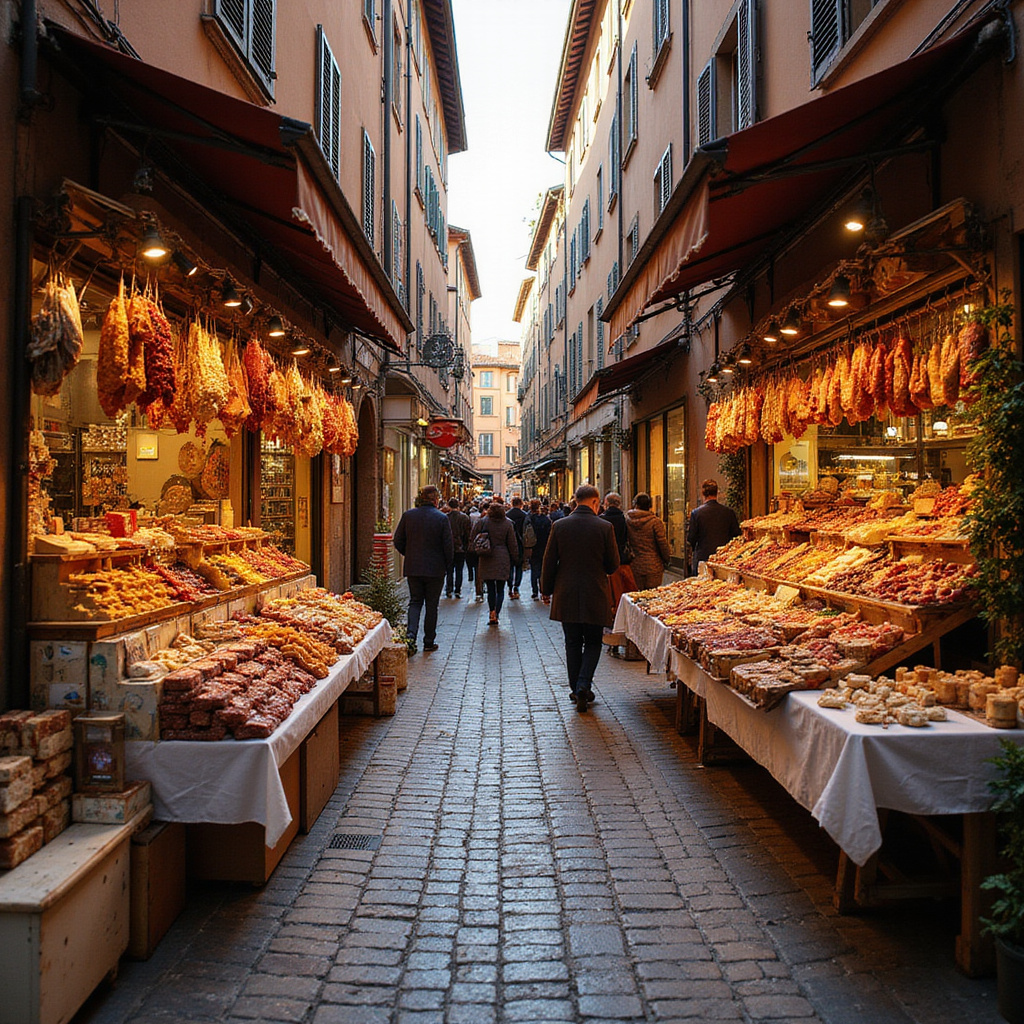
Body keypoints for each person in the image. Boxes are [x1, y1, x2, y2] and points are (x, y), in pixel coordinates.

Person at [541, 484, 619, 713]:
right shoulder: (605, 527)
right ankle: (584, 684)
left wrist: (546, 589)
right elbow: (613, 564)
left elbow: (549, 561)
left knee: (572, 642)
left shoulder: (559, 526)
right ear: (595, 502)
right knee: (594, 641)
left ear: (575, 501)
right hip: (595, 591)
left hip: (566, 591)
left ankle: (576, 689)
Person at [393, 485, 453, 654]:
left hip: (413, 567)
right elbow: (448, 546)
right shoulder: (441, 518)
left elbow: (398, 540)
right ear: (435, 500)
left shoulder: (408, 516)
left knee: (415, 602)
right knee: (432, 605)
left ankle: (410, 637)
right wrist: (447, 565)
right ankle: (429, 641)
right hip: (435, 569)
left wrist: (409, 554)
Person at [469, 496, 520, 628]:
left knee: (490, 588)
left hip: (487, 557)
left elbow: (473, 537)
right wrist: (516, 558)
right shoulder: (508, 523)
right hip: (503, 557)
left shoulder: (483, 521)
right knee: (500, 589)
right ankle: (496, 613)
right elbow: (512, 543)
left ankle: (491, 611)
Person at [687, 478, 742, 576]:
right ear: (717, 493)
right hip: (723, 558)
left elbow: (691, 538)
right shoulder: (728, 512)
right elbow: (737, 535)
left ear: (703, 494)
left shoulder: (696, 513)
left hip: (703, 558)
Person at [601, 492, 637, 641]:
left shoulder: (601, 520)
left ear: (607, 503)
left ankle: (612, 627)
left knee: (611, 596)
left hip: (607, 563)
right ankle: (624, 625)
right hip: (623, 561)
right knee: (625, 593)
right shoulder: (625, 519)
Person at [625, 493, 673, 591]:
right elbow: (662, 543)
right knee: (652, 597)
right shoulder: (655, 522)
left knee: (638, 597)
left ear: (636, 504)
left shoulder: (627, 521)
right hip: (654, 565)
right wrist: (667, 558)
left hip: (636, 564)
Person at [444, 498, 472, 598]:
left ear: (448, 506)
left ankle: (449, 589)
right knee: (459, 570)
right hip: (461, 548)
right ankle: (457, 590)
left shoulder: (445, 518)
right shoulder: (464, 518)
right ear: (458, 505)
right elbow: (468, 534)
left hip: (448, 547)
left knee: (449, 570)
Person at [526, 498, 552, 599]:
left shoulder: (529, 519)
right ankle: (543, 589)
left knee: (534, 569)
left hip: (532, 547)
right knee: (543, 569)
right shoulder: (545, 519)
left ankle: (535, 591)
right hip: (544, 546)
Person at [506, 496, 527, 599]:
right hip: (521, 544)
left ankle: (509, 586)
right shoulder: (525, 515)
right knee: (519, 567)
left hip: (509, 544)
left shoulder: (507, 515)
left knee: (509, 567)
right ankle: (516, 587)